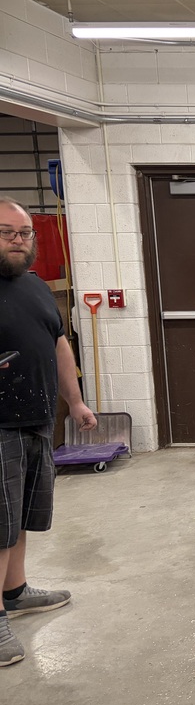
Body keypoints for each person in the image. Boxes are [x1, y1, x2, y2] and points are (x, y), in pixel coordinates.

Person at [0, 196, 97, 668]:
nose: (18, 241)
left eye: (25, 233)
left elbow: (58, 344)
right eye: (7, 233)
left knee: (18, 517)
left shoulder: (35, 287)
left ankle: (14, 591)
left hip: (36, 420)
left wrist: (74, 401)